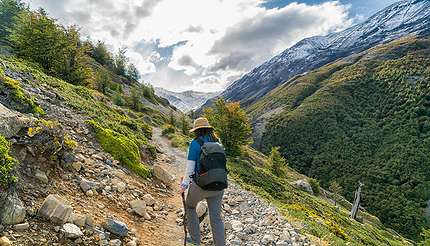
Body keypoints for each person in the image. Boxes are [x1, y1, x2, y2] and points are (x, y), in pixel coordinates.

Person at [180, 117, 226, 246]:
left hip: (201, 186)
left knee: (190, 206)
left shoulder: (195, 143)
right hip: (218, 186)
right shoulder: (218, 142)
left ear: (196, 130)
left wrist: (184, 185)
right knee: (216, 218)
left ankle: (195, 242)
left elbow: (190, 169)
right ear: (208, 129)